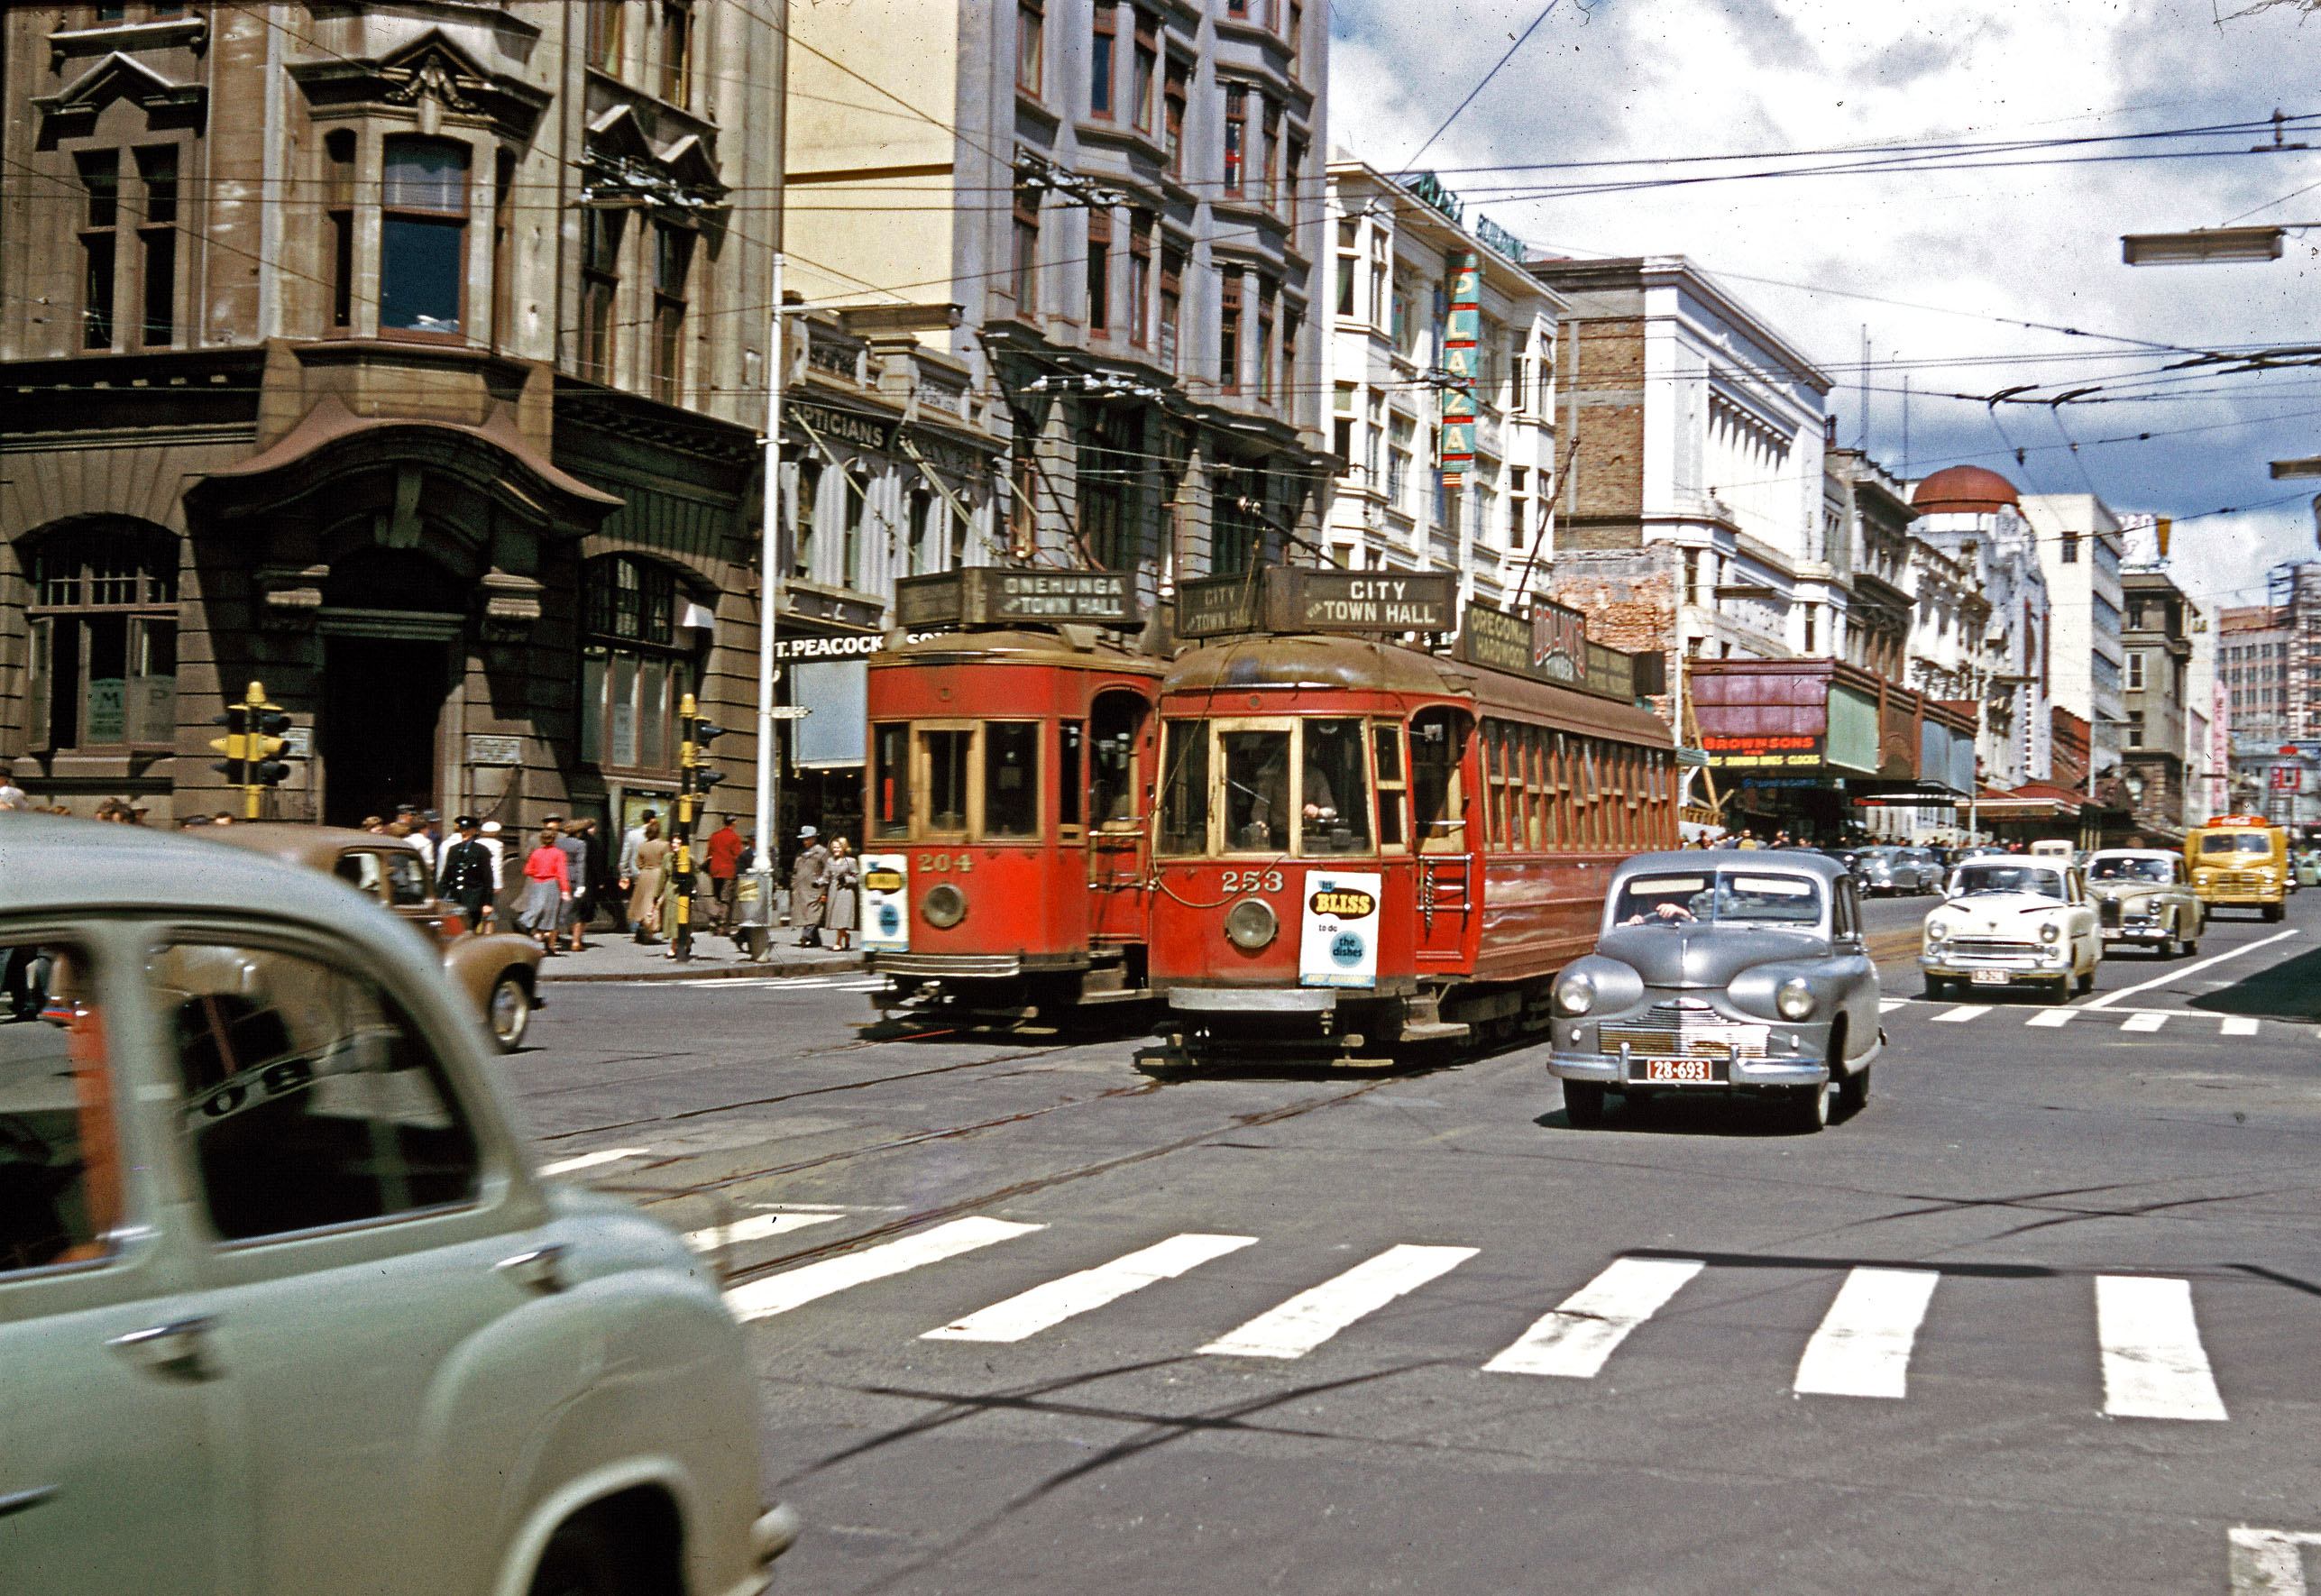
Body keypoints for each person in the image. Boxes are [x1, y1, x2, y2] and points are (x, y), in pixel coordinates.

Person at [515, 824, 571, 955]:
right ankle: (551, 946)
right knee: (551, 916)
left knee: (538, 912)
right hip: (552, 885)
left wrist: (539, 872)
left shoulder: (536, 853)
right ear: (554, 840)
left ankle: (537, 940)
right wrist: (565, 890)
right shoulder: (559, 853)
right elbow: (561, 873)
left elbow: (527, 870)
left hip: (537, 884)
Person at [438, 817, 495, 931]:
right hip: (456, 900)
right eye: (462, 830)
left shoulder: (481, 851)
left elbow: (488, 879)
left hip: (473, 901)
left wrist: (487, 903)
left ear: (474, 831)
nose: (464, 833)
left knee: (469, 931)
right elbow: (446, 876)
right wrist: (438, 896)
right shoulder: (453, 850)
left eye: (467, 830)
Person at [627, 820, 670, 943]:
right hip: (658, 874)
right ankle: (649, 932)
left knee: (642, 903)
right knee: (653, 903)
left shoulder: (643, 846)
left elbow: (638, 863)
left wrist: (646, 867)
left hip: (644, 875)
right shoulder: (664, 845)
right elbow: (668, 862)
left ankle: (643, 930)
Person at [554, 817, 590, 953]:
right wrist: (581, 884)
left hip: (559, 877)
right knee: (576, 912)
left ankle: (553, 940)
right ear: (578, 832)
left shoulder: (558, 842)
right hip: (573, 879)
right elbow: (580, 865)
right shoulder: (580, 844)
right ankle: (575, 942)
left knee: (556, 910)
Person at [820, 836, 859, 953]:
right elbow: (825, 876)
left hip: (845, 892)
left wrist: (846, 879)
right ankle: (846, 936)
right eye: (834, 848)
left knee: (842, 919)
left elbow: (857, 878)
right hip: (834, 891)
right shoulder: (830, 861)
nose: (836, 850)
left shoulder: (851, 861)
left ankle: (838, 942)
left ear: (844, 848)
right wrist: (818, 883)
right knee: (837, 919)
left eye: (838, 847)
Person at [792, 826, 829, 947]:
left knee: (814, 913)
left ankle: (806, 936)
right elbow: (795, 870)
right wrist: (793, 884)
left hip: (815, 888)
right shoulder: (800, 852)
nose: (805, 841)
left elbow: (827, 871)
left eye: (807, 839)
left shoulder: (822, 852)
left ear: (814, 838)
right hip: (801, 889)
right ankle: (815, 940)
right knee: (806, 914)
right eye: (804, 839)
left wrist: (824, 891)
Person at [706, 817, 744, 931]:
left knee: (717, 897)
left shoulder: (714, 836)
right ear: (734, 822)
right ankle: (721, 923)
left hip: (715, 870)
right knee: (726, 898)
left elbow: (709, 853)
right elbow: (737, 855)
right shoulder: (735, 837)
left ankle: (713, 920)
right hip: (728, 870)